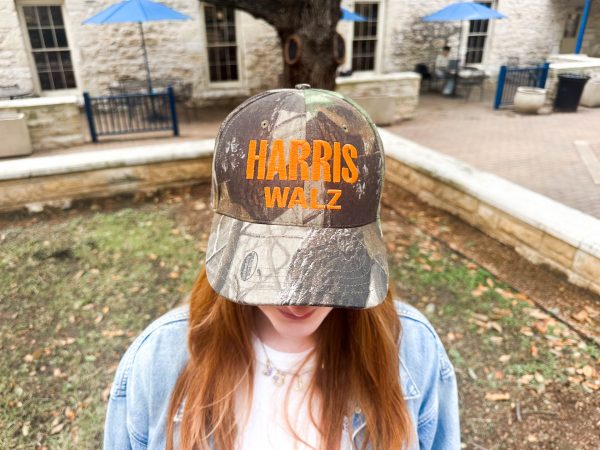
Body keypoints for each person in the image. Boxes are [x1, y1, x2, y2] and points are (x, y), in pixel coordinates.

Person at [103, 85, 460, 450]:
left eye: (328, 260)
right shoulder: (158, 358)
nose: (299, 296)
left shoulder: (415, 351)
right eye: (276, 259)